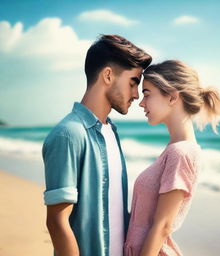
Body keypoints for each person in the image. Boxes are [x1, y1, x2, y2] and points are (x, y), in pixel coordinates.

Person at [42, 34, 152, 256]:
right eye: (133, 82)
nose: (136, 94)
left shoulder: (111, 131)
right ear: (108, 75)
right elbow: (56, 223)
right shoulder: (69, 134)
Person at [124, 60, 220, 256]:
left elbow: (163, 226)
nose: (141, 103)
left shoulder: (182, 153)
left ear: (172, 97)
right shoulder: (174, 149)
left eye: (147, 94)